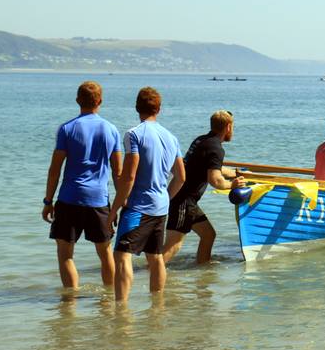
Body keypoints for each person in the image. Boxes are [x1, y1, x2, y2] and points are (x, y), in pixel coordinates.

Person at [106, 87, 186, 303]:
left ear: (136, 108)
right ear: (159, 109)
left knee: (122, 255)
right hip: (160, 207)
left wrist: (114, 210)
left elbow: (129, 176)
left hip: (138, 207)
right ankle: (157, 306)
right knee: (156, 257)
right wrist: (166, 198)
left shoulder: (133, 135)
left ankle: (121, 308)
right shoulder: (171, 138)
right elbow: (180, 177)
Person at [42, 81, 122, 289]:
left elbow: (54, 169)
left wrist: (48, 200)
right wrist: (120, 205)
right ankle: (109, 302)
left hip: (69, 198)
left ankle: (70, 306)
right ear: (100, 101)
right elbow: (118, 172)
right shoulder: (111, 130)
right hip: (98, 200)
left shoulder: (67, 129)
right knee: (105, 253)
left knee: (66, 255)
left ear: (78, 100)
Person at [163, 110, 246, 265]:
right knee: (173, 246)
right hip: (183, 201)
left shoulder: (202, 141)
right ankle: (150, 274)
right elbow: (215, 180)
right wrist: (232, 185)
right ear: (228, 127)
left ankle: (202, 269)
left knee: (208, 235)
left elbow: (214, 168)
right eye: (233, 127)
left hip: (185, 199)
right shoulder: (216, 148)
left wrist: (235, 174)